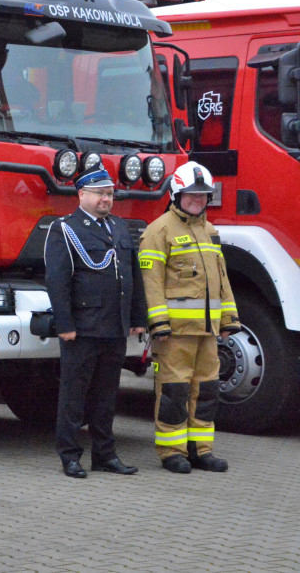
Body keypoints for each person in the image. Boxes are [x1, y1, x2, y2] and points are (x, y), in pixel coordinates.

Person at [138, 161, 241, 474]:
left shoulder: (210, 231)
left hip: (207, 333)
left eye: (203, 195)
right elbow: (151, 283)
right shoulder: (158, 231)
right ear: (176, 194)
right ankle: (172, 452)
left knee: (207, 390)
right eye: (191, 195)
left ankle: (201, 450)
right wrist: (159, 324)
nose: (198, 200)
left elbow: (221, 279)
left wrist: (228, 319)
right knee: (174, 392)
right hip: (175, 334)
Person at [44, 166, 147, 478]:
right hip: (83, 328)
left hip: (114, 327)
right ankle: (70, 456)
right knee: (74, 396)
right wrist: (65, 324)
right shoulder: (66, 228)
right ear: (82, 195)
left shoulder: (117, 227)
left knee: (106, 395)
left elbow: (133, 277)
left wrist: (137, 317)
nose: (106, 198)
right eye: (100, 193)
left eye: (110, 193)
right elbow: (57, 282)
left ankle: (104, 454)